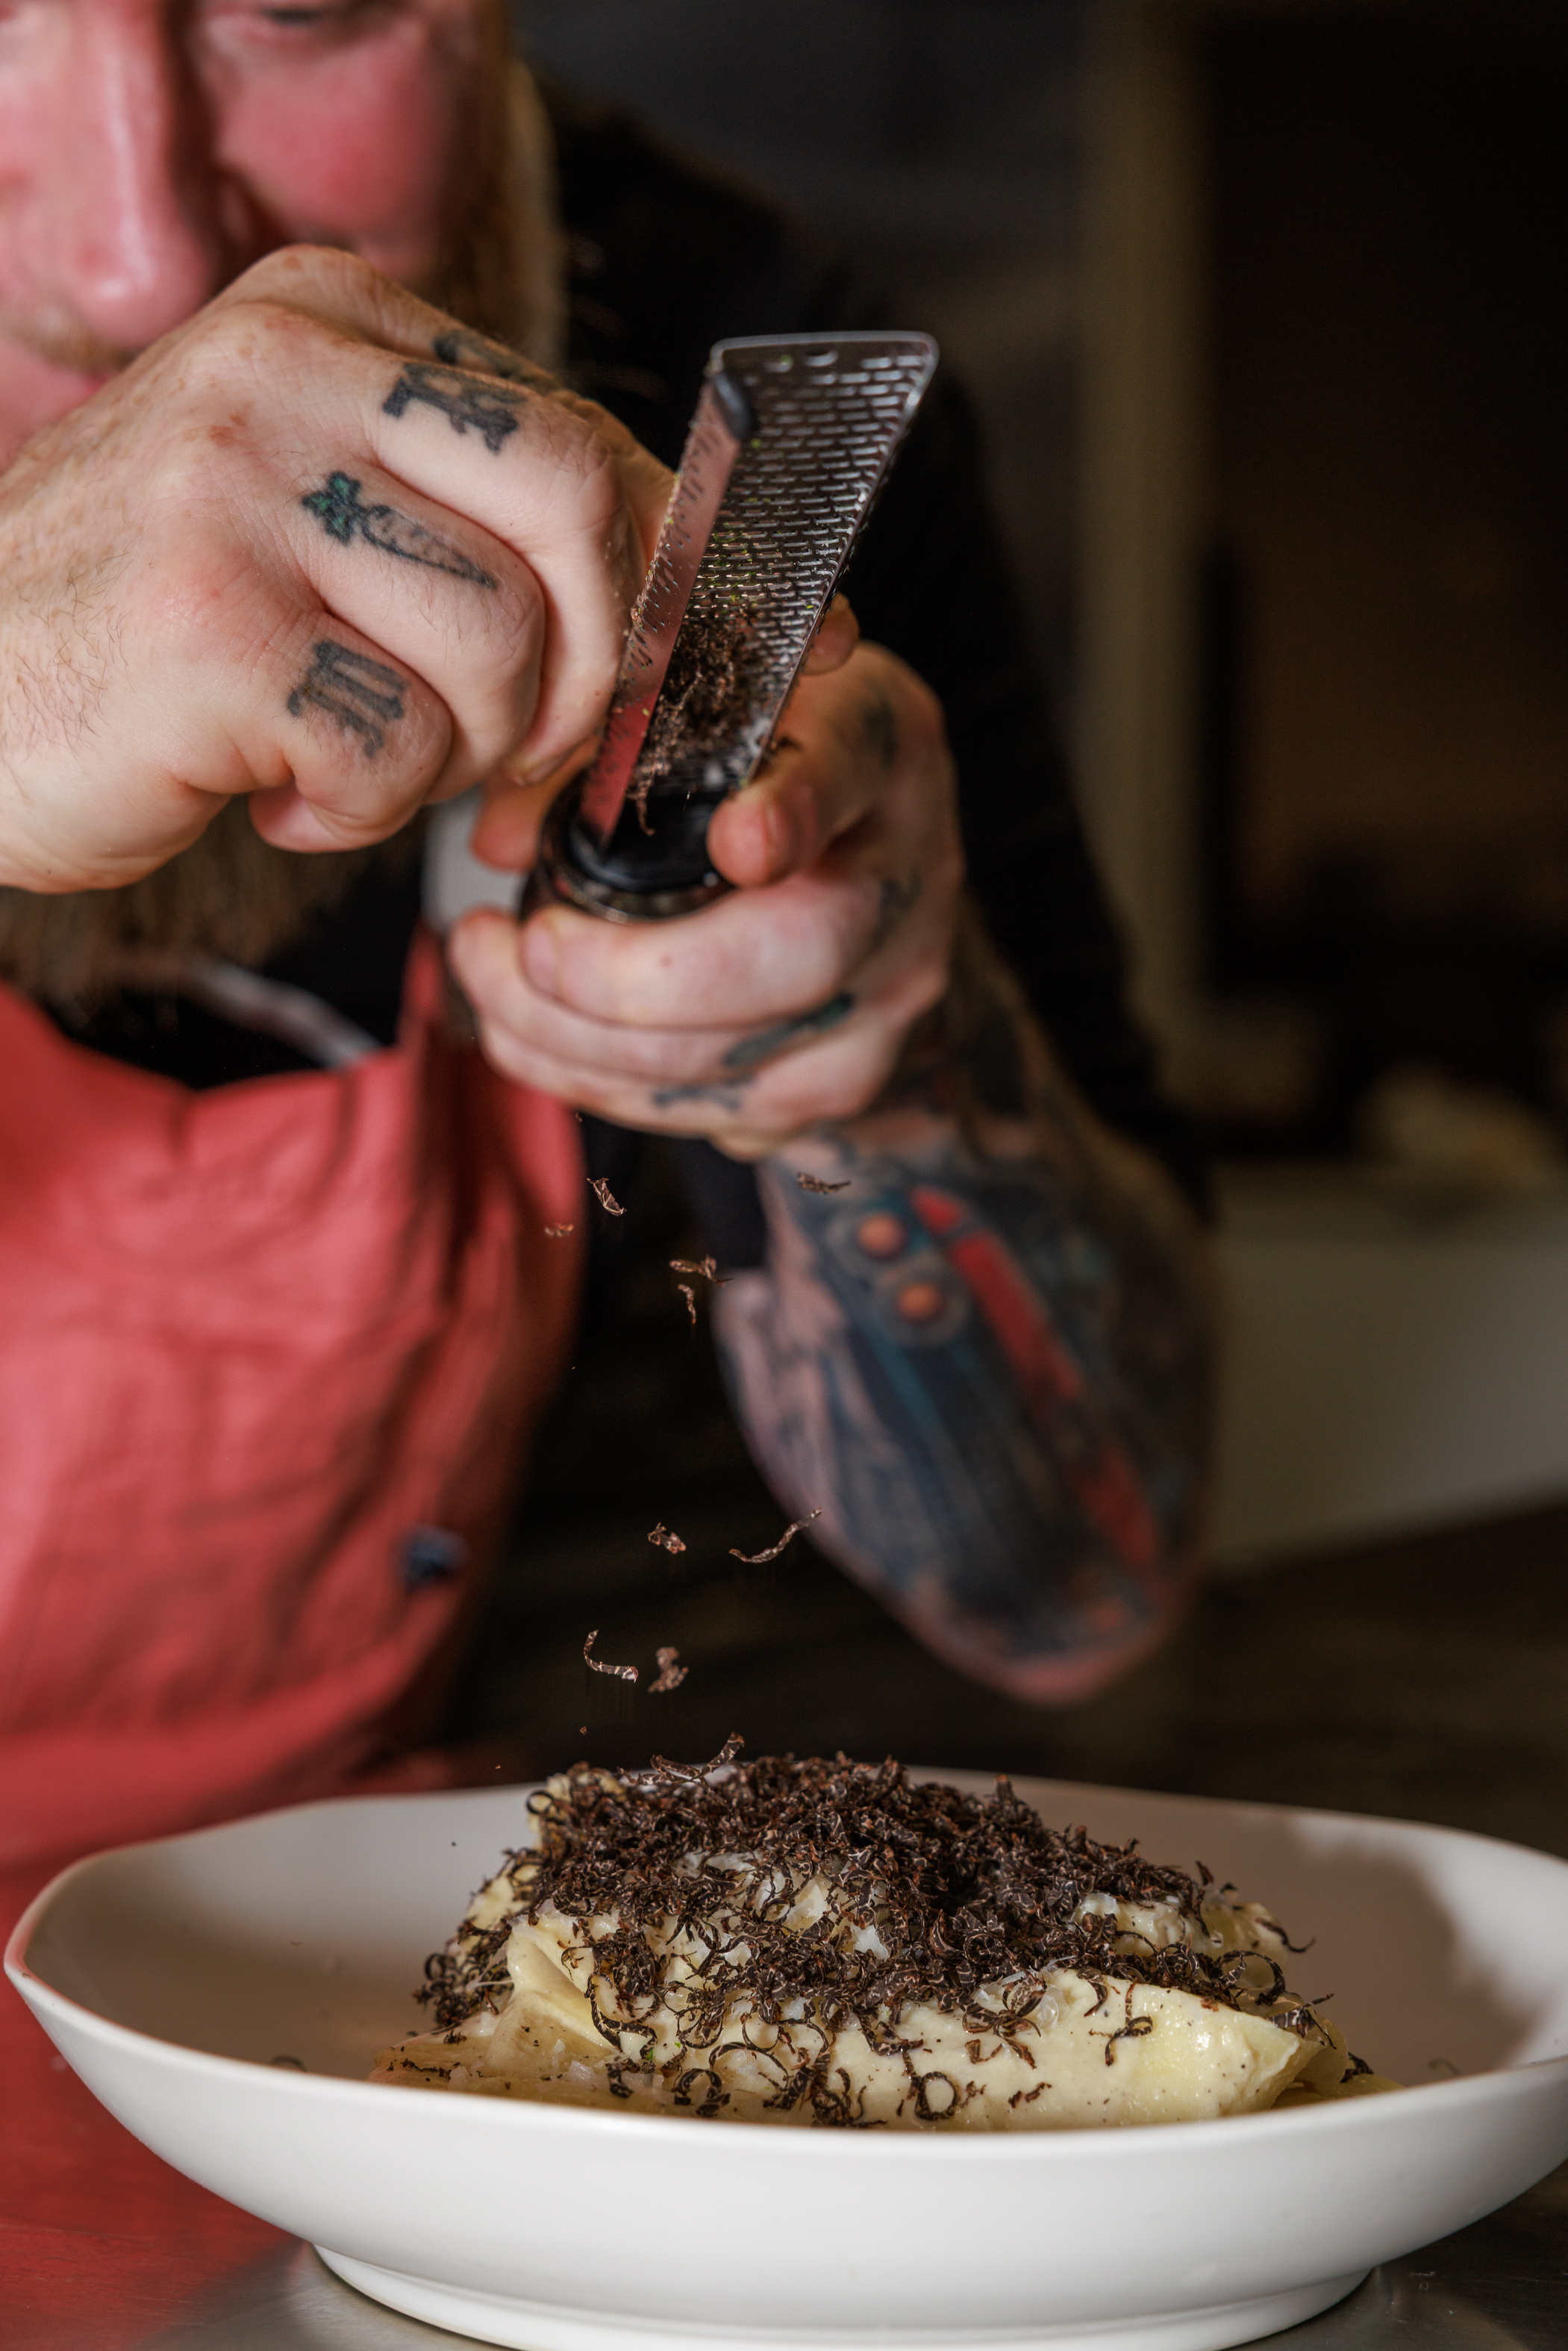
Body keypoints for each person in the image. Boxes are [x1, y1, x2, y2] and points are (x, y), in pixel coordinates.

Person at [0, 0, 1211, 1875]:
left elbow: (1079, 1598)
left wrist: (881, 1074)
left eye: (302, 8)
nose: (142, 262)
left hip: (308, 1978)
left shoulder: (720, 370)